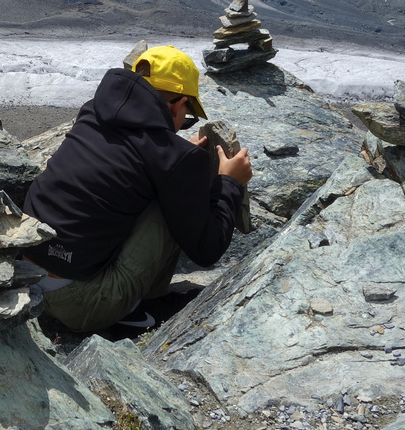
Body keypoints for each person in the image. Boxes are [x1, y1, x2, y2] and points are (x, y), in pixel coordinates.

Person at [21, 45, 252, 334]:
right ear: (177, 104)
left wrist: (175, 157)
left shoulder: (93, 112)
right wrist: (230, 182)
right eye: (187, 117)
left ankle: (133, 298)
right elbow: (208, 249)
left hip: (24, 280)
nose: (181, 127)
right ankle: (130, 310)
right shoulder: (171, 157)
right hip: (80, 304)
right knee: (173, 205)